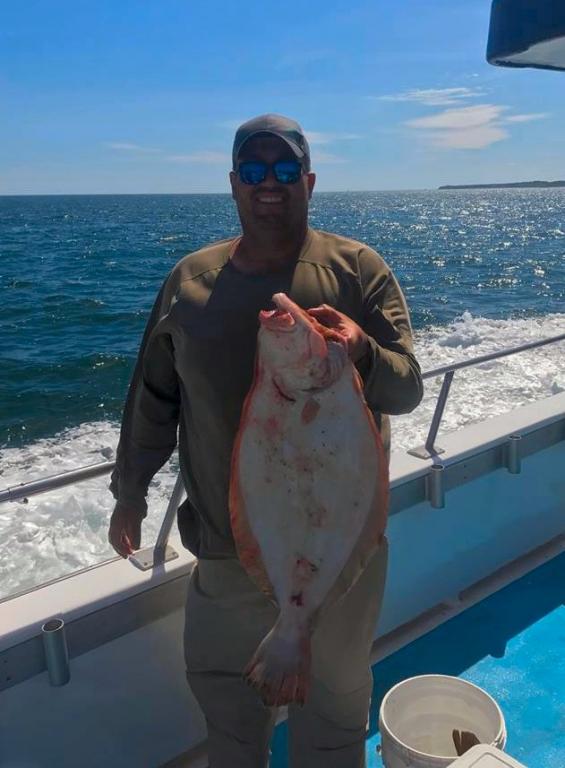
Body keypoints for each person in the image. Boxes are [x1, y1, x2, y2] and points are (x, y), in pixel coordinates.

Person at [108, 114, 423, 768]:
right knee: (229, 717)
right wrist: (129, 492)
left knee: (333, 717)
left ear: (309, 180)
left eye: (284, 169)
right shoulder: (189, 282)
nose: (268, 183)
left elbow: (406, 388)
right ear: (233, 184)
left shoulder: (358, 270)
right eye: (253, 170)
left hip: (339, 555)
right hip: (227, 551)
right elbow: (152, 396)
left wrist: (362, 352)